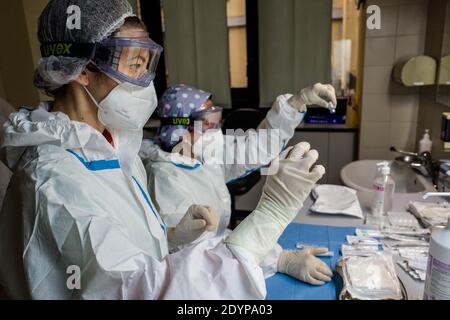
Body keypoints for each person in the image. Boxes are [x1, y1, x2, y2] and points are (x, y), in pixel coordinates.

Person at [0, 0, 329, 299]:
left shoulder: (112, 148)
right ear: (82, 69)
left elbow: (126, 255)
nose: (145, 81)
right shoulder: (53, 180)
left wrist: (169, 237)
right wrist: (269, 220)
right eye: (133, 65)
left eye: (147, 65)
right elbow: (137, 292)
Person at [139, 83, 336, 284]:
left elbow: (257, 146)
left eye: (215, 117)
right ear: (179, 127)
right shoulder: (166, 180)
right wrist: (280, 259)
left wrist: (295, 104)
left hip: (228, 252)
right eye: (206, 121)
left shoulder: (199, 155)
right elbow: (204, 259)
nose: (214, 128)